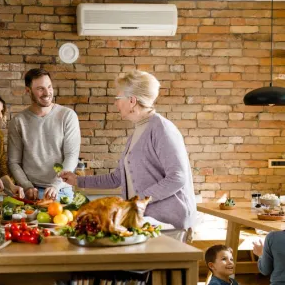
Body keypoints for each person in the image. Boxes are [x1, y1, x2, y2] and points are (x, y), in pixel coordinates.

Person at [60, 70, 196, 231]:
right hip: (146, 221)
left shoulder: (162, 128)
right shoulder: (138, 131)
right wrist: (78, 181)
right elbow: (117, 178)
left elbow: (177, 177)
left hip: (168, 223)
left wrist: (138, 200)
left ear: (132, 101)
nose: (116, 103)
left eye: (118, 98)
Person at [8, 68, 80, 201]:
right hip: (30, 192)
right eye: (40, 89)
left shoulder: (67, 116)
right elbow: (14, 162)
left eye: (49, 86)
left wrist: (55, 185)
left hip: (61, 190)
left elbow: (72, 156)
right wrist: (27, 186)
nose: (47, 93)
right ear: (28, 91)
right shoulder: (18, 121)